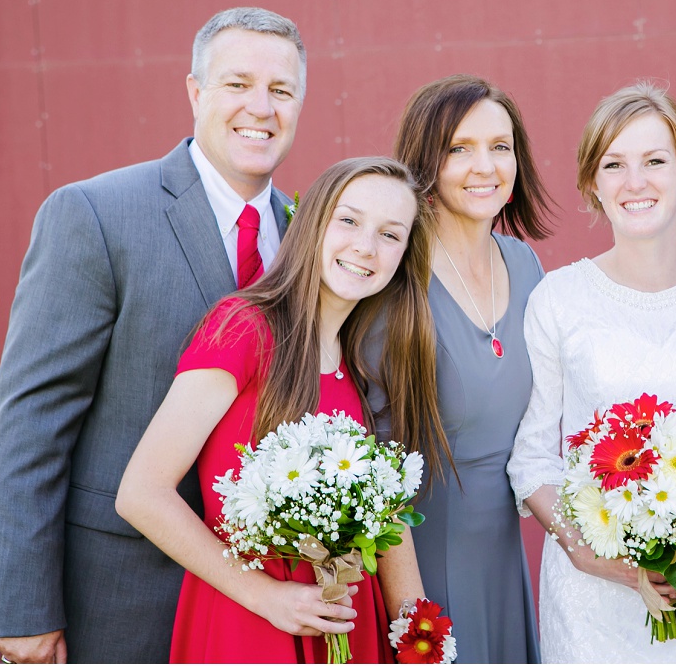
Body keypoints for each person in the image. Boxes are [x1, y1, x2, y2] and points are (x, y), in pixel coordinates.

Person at [0, 7, 306, 663]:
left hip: (261, 601)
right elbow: (32, 418)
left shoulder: (309, 237)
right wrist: (22, 603)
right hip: (123, 593)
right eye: (237, 83)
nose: (261, 108)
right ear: (194, 92)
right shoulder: (96, 214)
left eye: (282, 90)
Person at [116, 157, 440, 662]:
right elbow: (141, 493)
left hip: (342, 621)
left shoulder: (357, 366)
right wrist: (266, 597)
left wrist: (418, 641)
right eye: (349, 220)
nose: (365, 246)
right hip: (249, 620)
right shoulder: (245, 327)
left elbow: (388, 526)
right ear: (312, 222)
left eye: (390, 235)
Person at [508, 82, 676, 663]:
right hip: (591, 602)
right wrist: (596, 558)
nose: (635, 181)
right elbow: (533, 455)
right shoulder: (558, 298)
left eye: (654, 161)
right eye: (613, 165)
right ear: (593, 183)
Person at [363, 74, 554, 664]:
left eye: (500, 147)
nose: (485, 166)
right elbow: (374, 460)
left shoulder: (525, 265)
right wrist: (410, 616)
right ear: (426, 160)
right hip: (424, 557)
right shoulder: (394, 279)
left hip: (504, 550)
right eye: (459, 149)